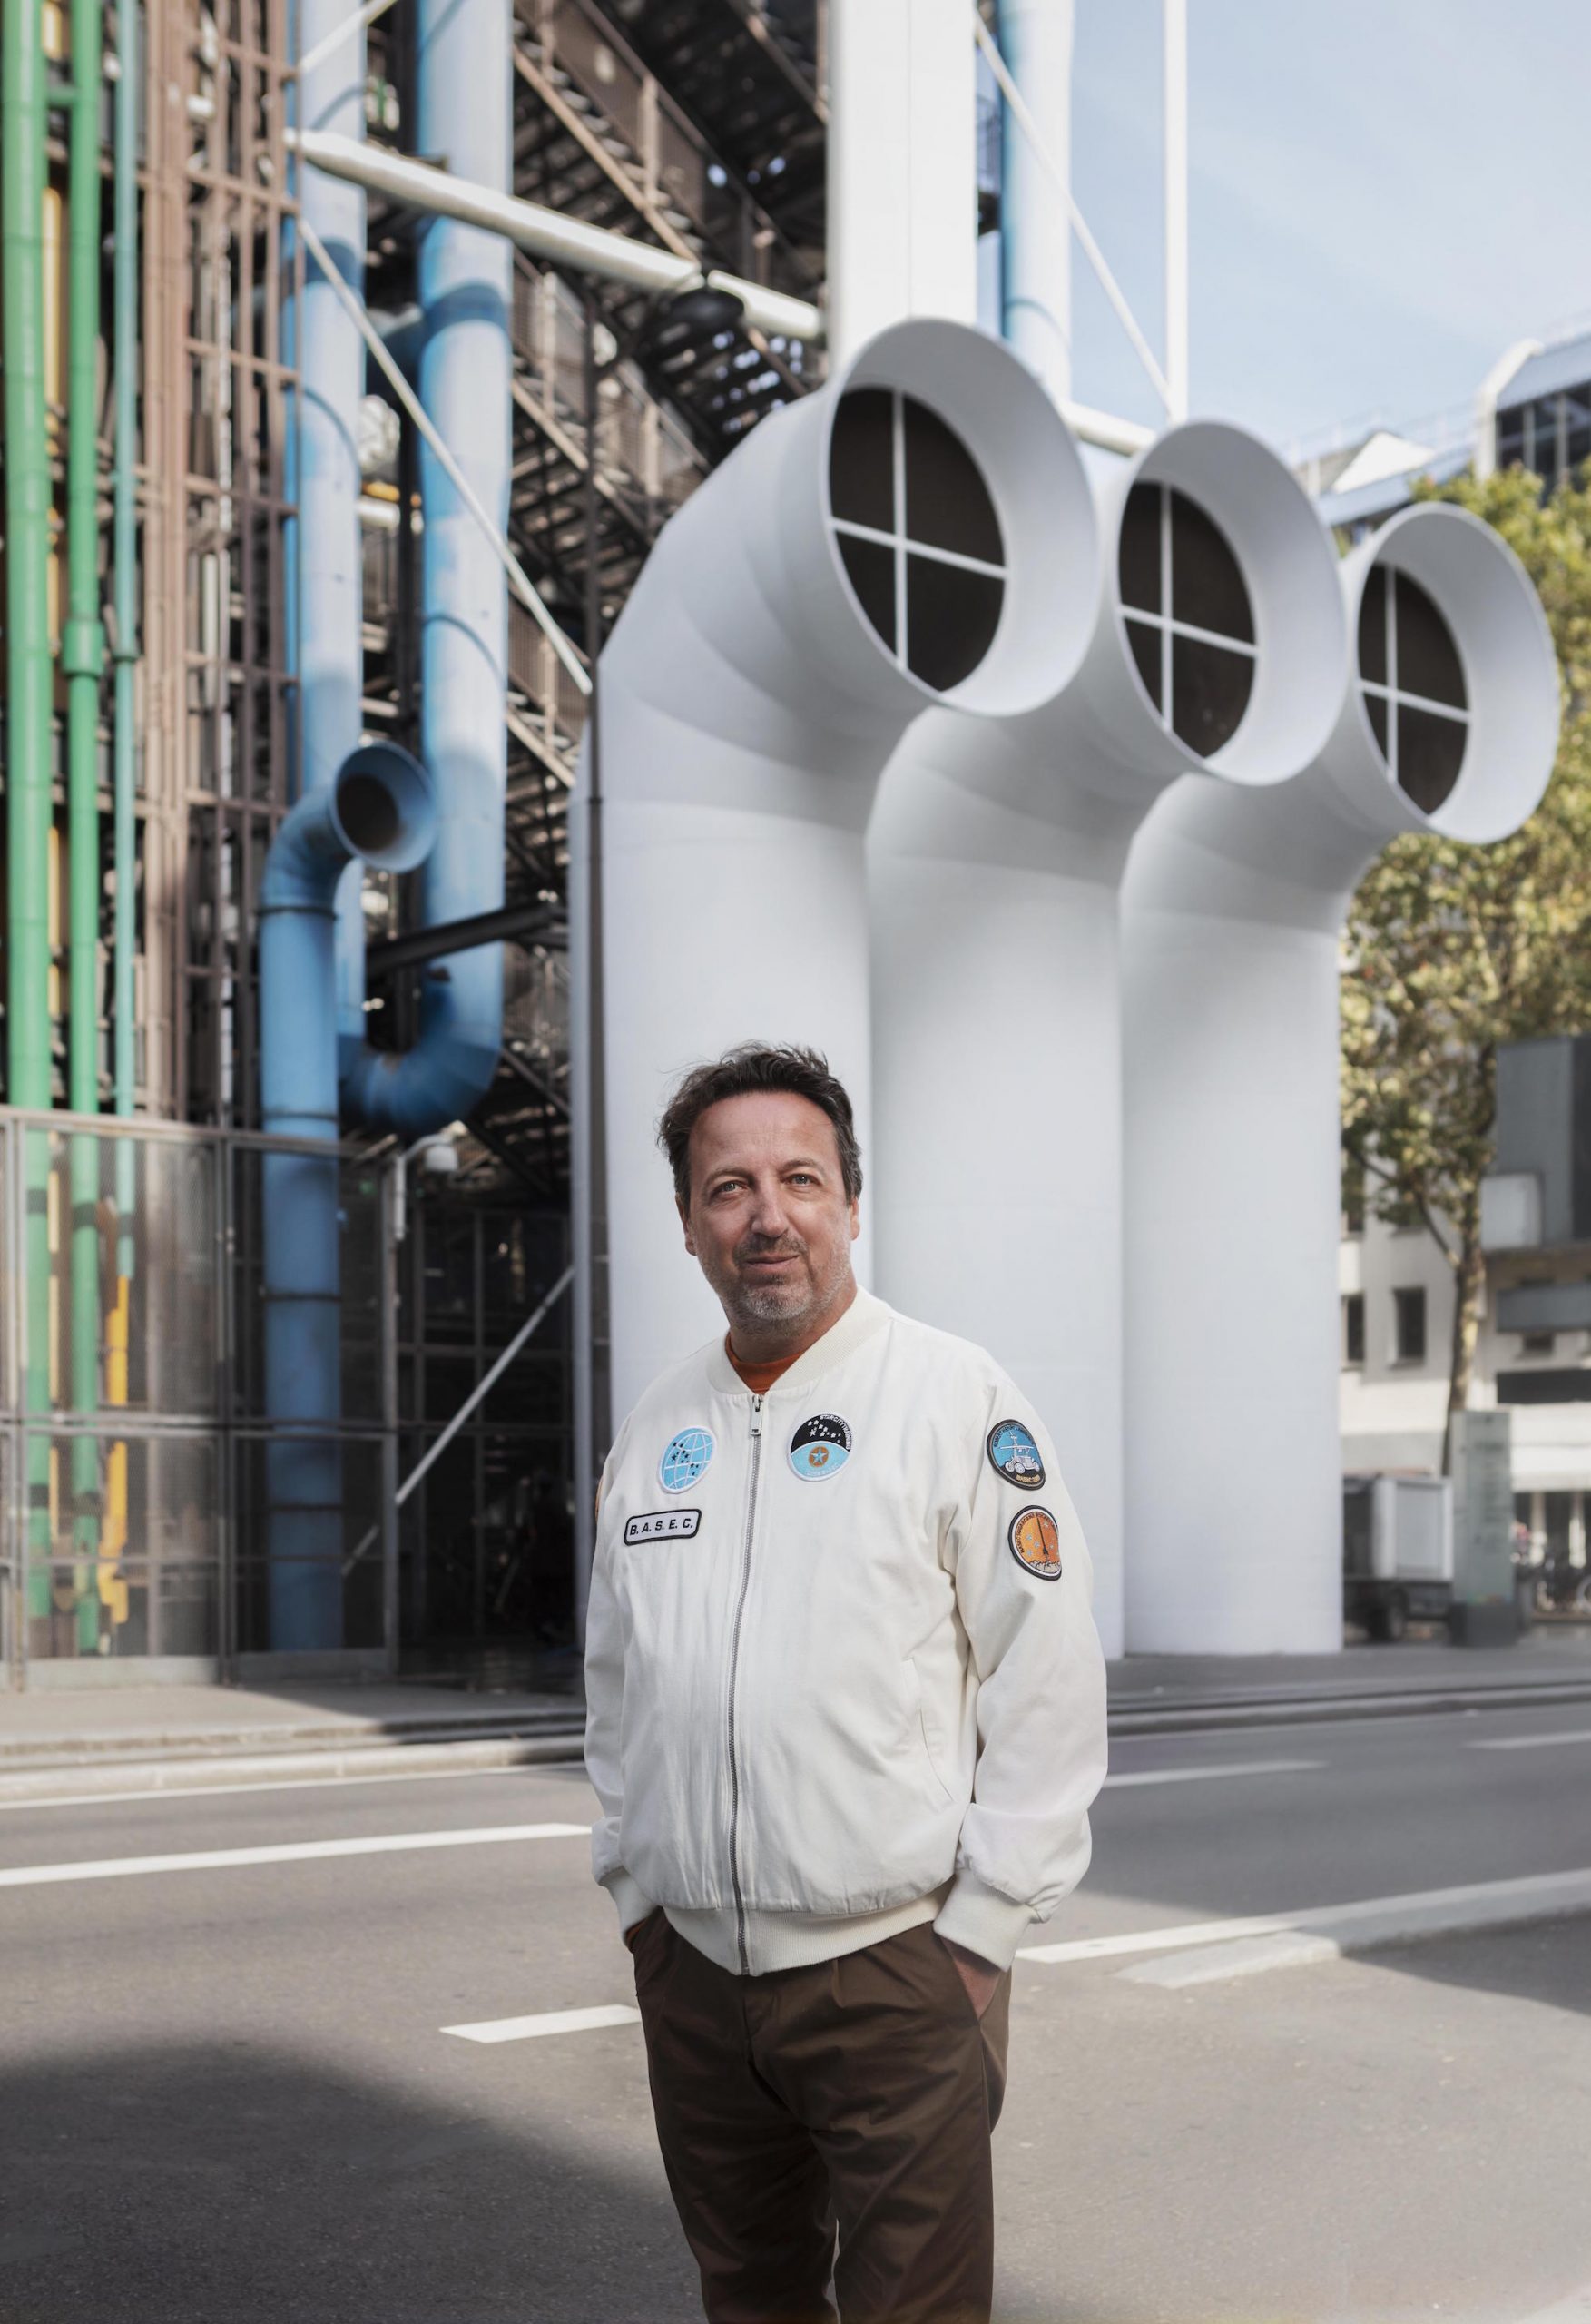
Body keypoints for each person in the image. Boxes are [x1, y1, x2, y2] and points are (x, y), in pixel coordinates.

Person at [584, 1043, 1108, 2324]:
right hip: (696, 1978)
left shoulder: (952, 1396)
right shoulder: (657, 1431)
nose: (767, 1216)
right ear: (688, 1224)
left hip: (893, 1970)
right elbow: (617, 1684)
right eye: (728, 1188)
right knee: (748, 2303)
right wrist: (637, 1891)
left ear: (851, 1205)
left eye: (800, 1180)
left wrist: (977, 1938)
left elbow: (1044, 1679)